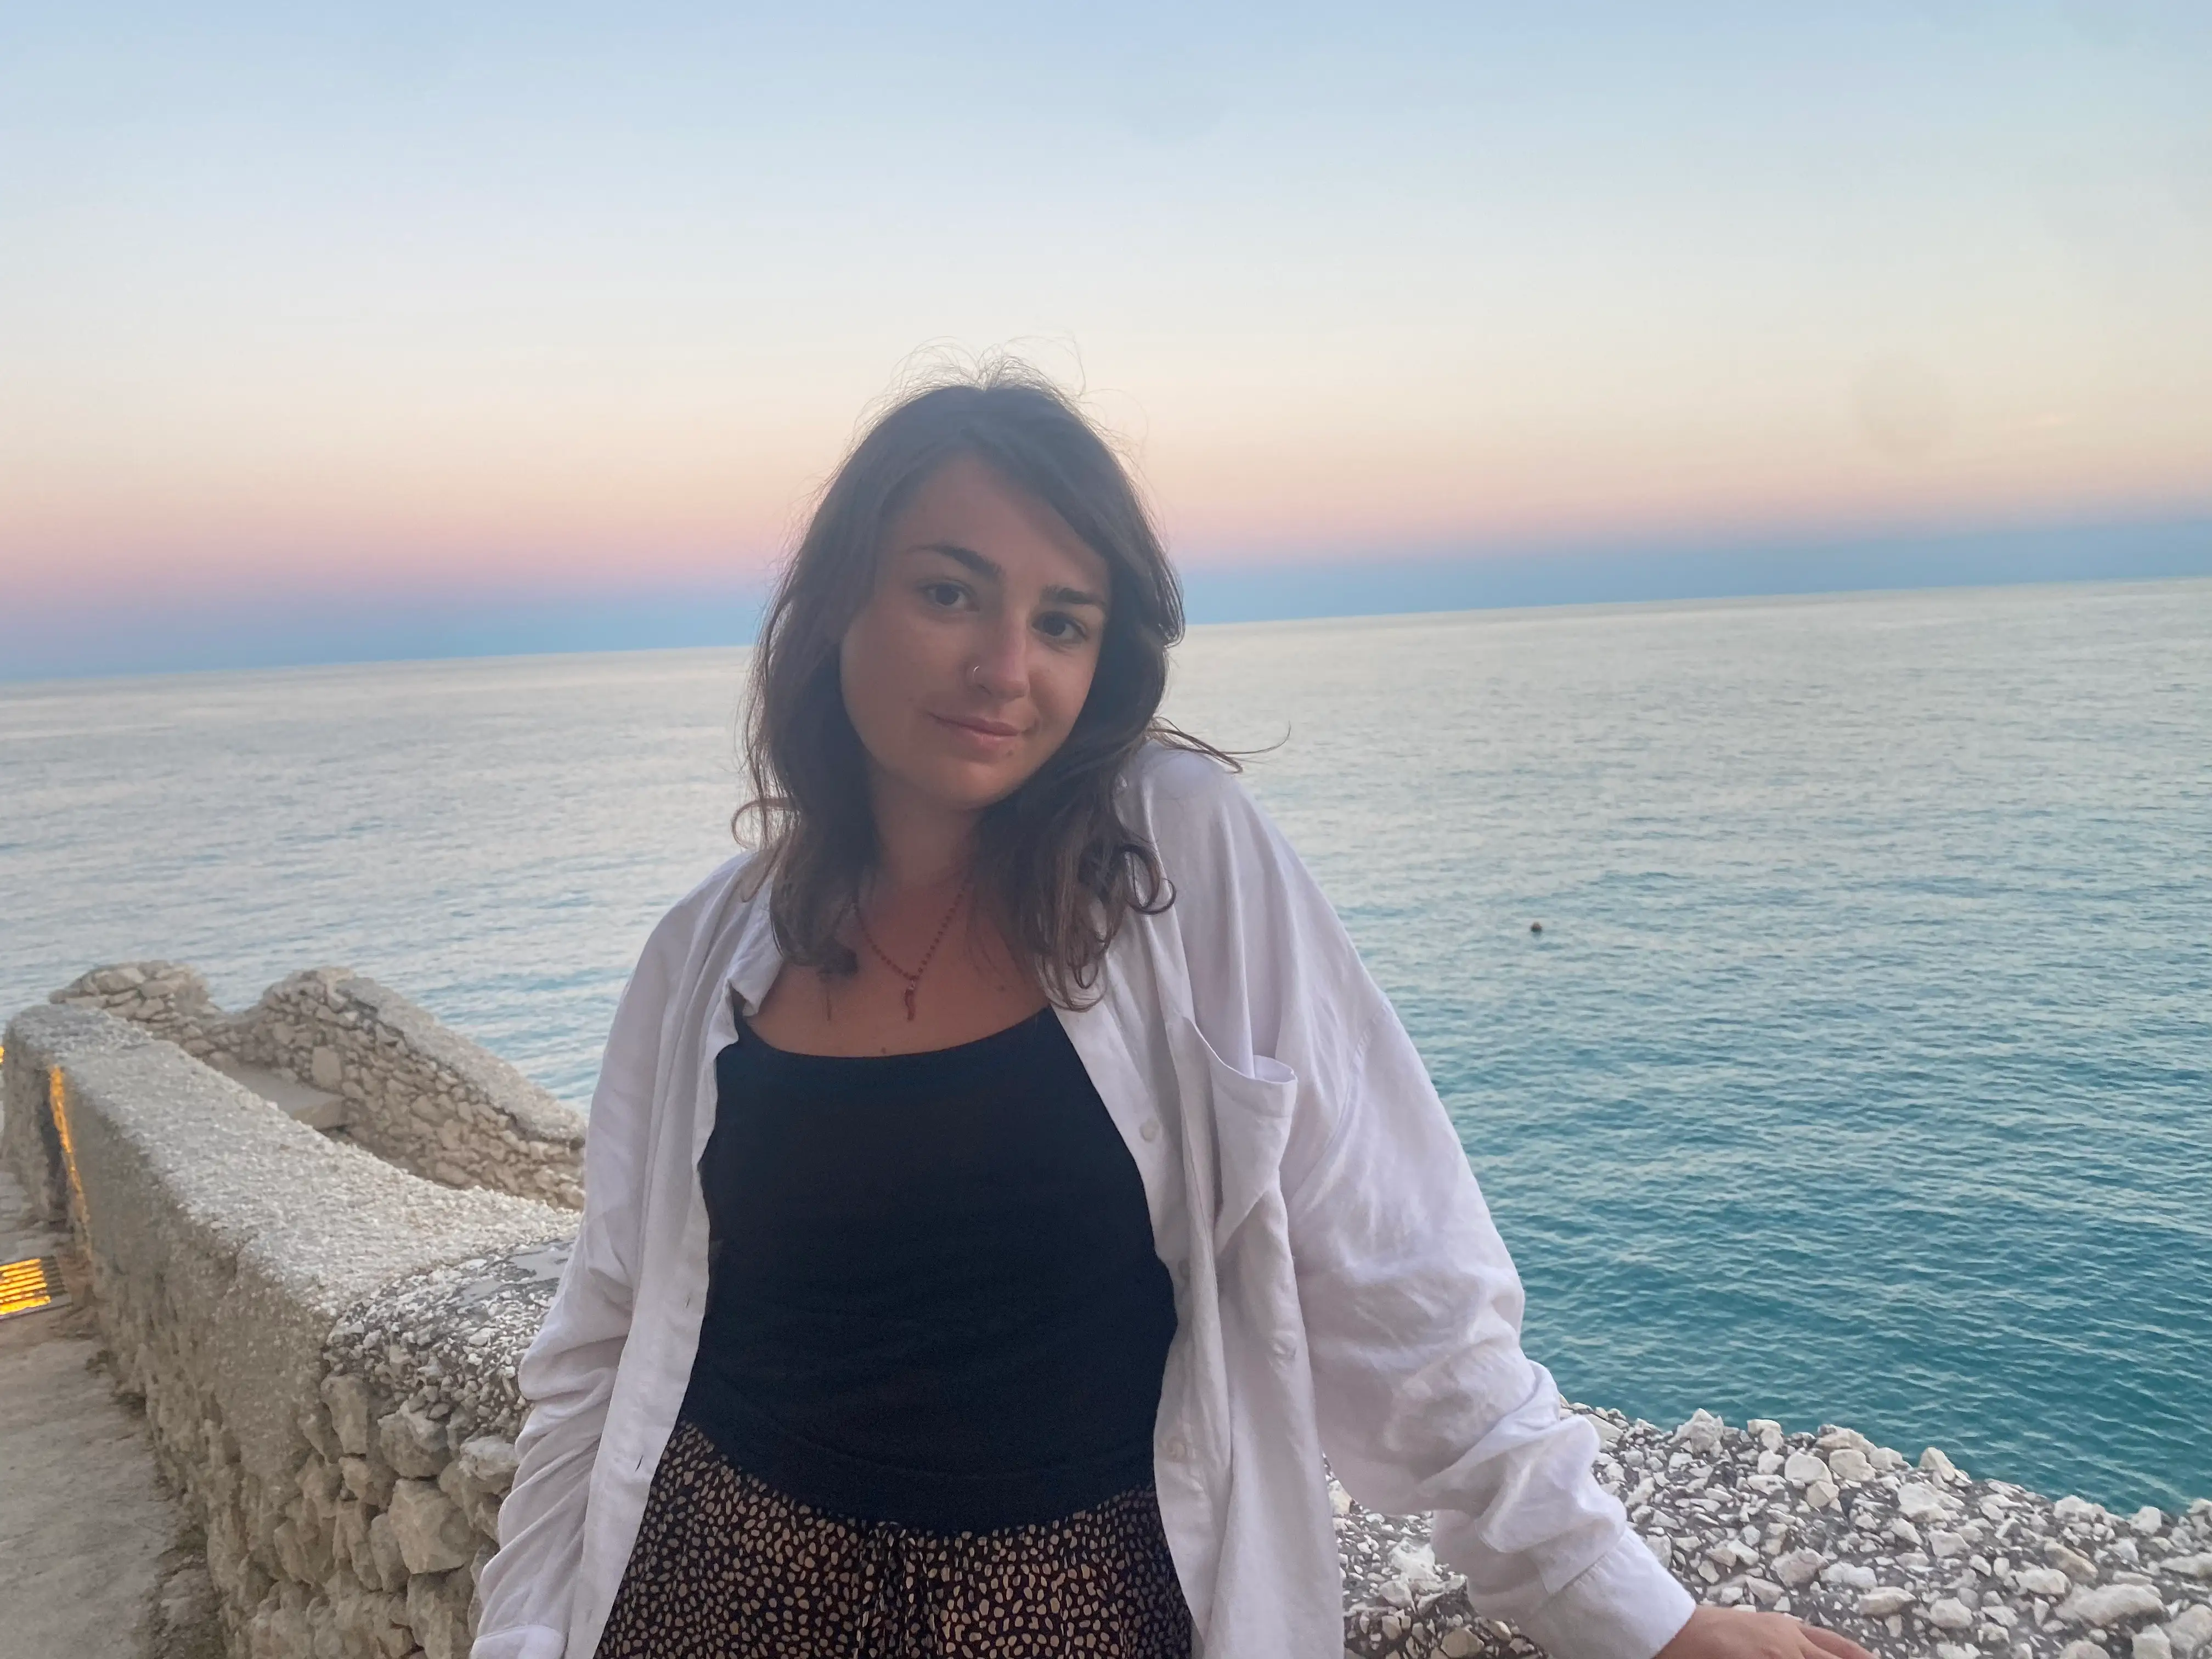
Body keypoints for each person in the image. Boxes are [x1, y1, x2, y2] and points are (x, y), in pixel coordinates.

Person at [471, 362, 1876, 1659]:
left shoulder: (1177, 864)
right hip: (709, 1597)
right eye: (950, 594)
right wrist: (523, 1636)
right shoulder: (704, 955)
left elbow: (1400, 1273)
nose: (1006, 667)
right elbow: (601, 1335)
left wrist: (1638, 1616)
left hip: (1072, 1615)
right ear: (839, 601)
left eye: (1061, 622)